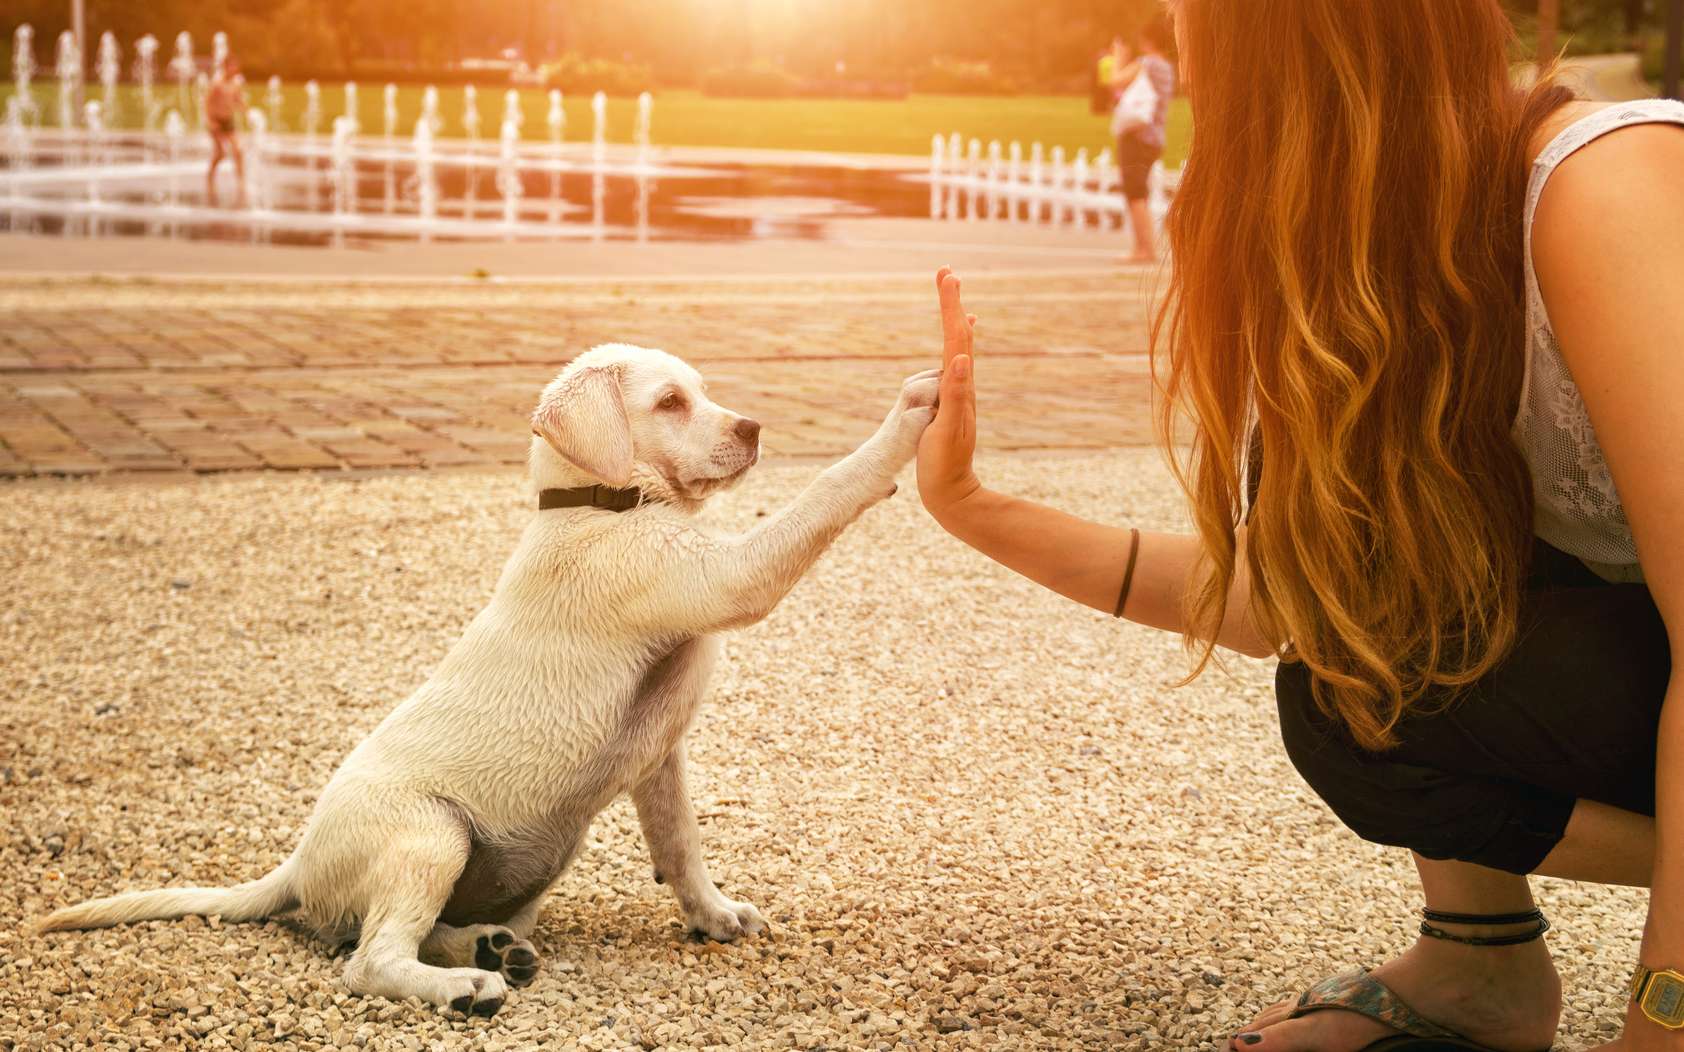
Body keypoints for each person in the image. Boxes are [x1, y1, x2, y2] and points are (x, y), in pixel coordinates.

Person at [915, 0, 1684, 1048]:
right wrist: (971, 506)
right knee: (1350, 693)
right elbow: (1290, 607)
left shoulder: (1602, 183)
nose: (1174, 42)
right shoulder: (1374, 263)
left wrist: (1663, 1017)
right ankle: (1478, 967)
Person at [1110, 15, 1174, 263]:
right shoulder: (1167, 68)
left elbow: (1115, 80)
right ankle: (1143, 248)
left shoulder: (1146, 63)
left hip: (1137, 136)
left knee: (1135, 193)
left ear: (1147, 40)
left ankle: (1144, 249)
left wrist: (1118, 58)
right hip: (1155, 138)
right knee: (1141, 192)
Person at [204, 55, 246, 208]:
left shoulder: (235, 84)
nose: (234, 69)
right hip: (216, 121)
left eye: (235, 66)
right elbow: (207, 103)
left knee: (238, 150)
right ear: (225, 67)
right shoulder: (217, 84)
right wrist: (210, 121)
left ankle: (241, 182)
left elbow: (238, 100)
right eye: (231, 66)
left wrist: (247, 112)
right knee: (220, 153)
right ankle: (210, 177)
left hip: (228, 122)